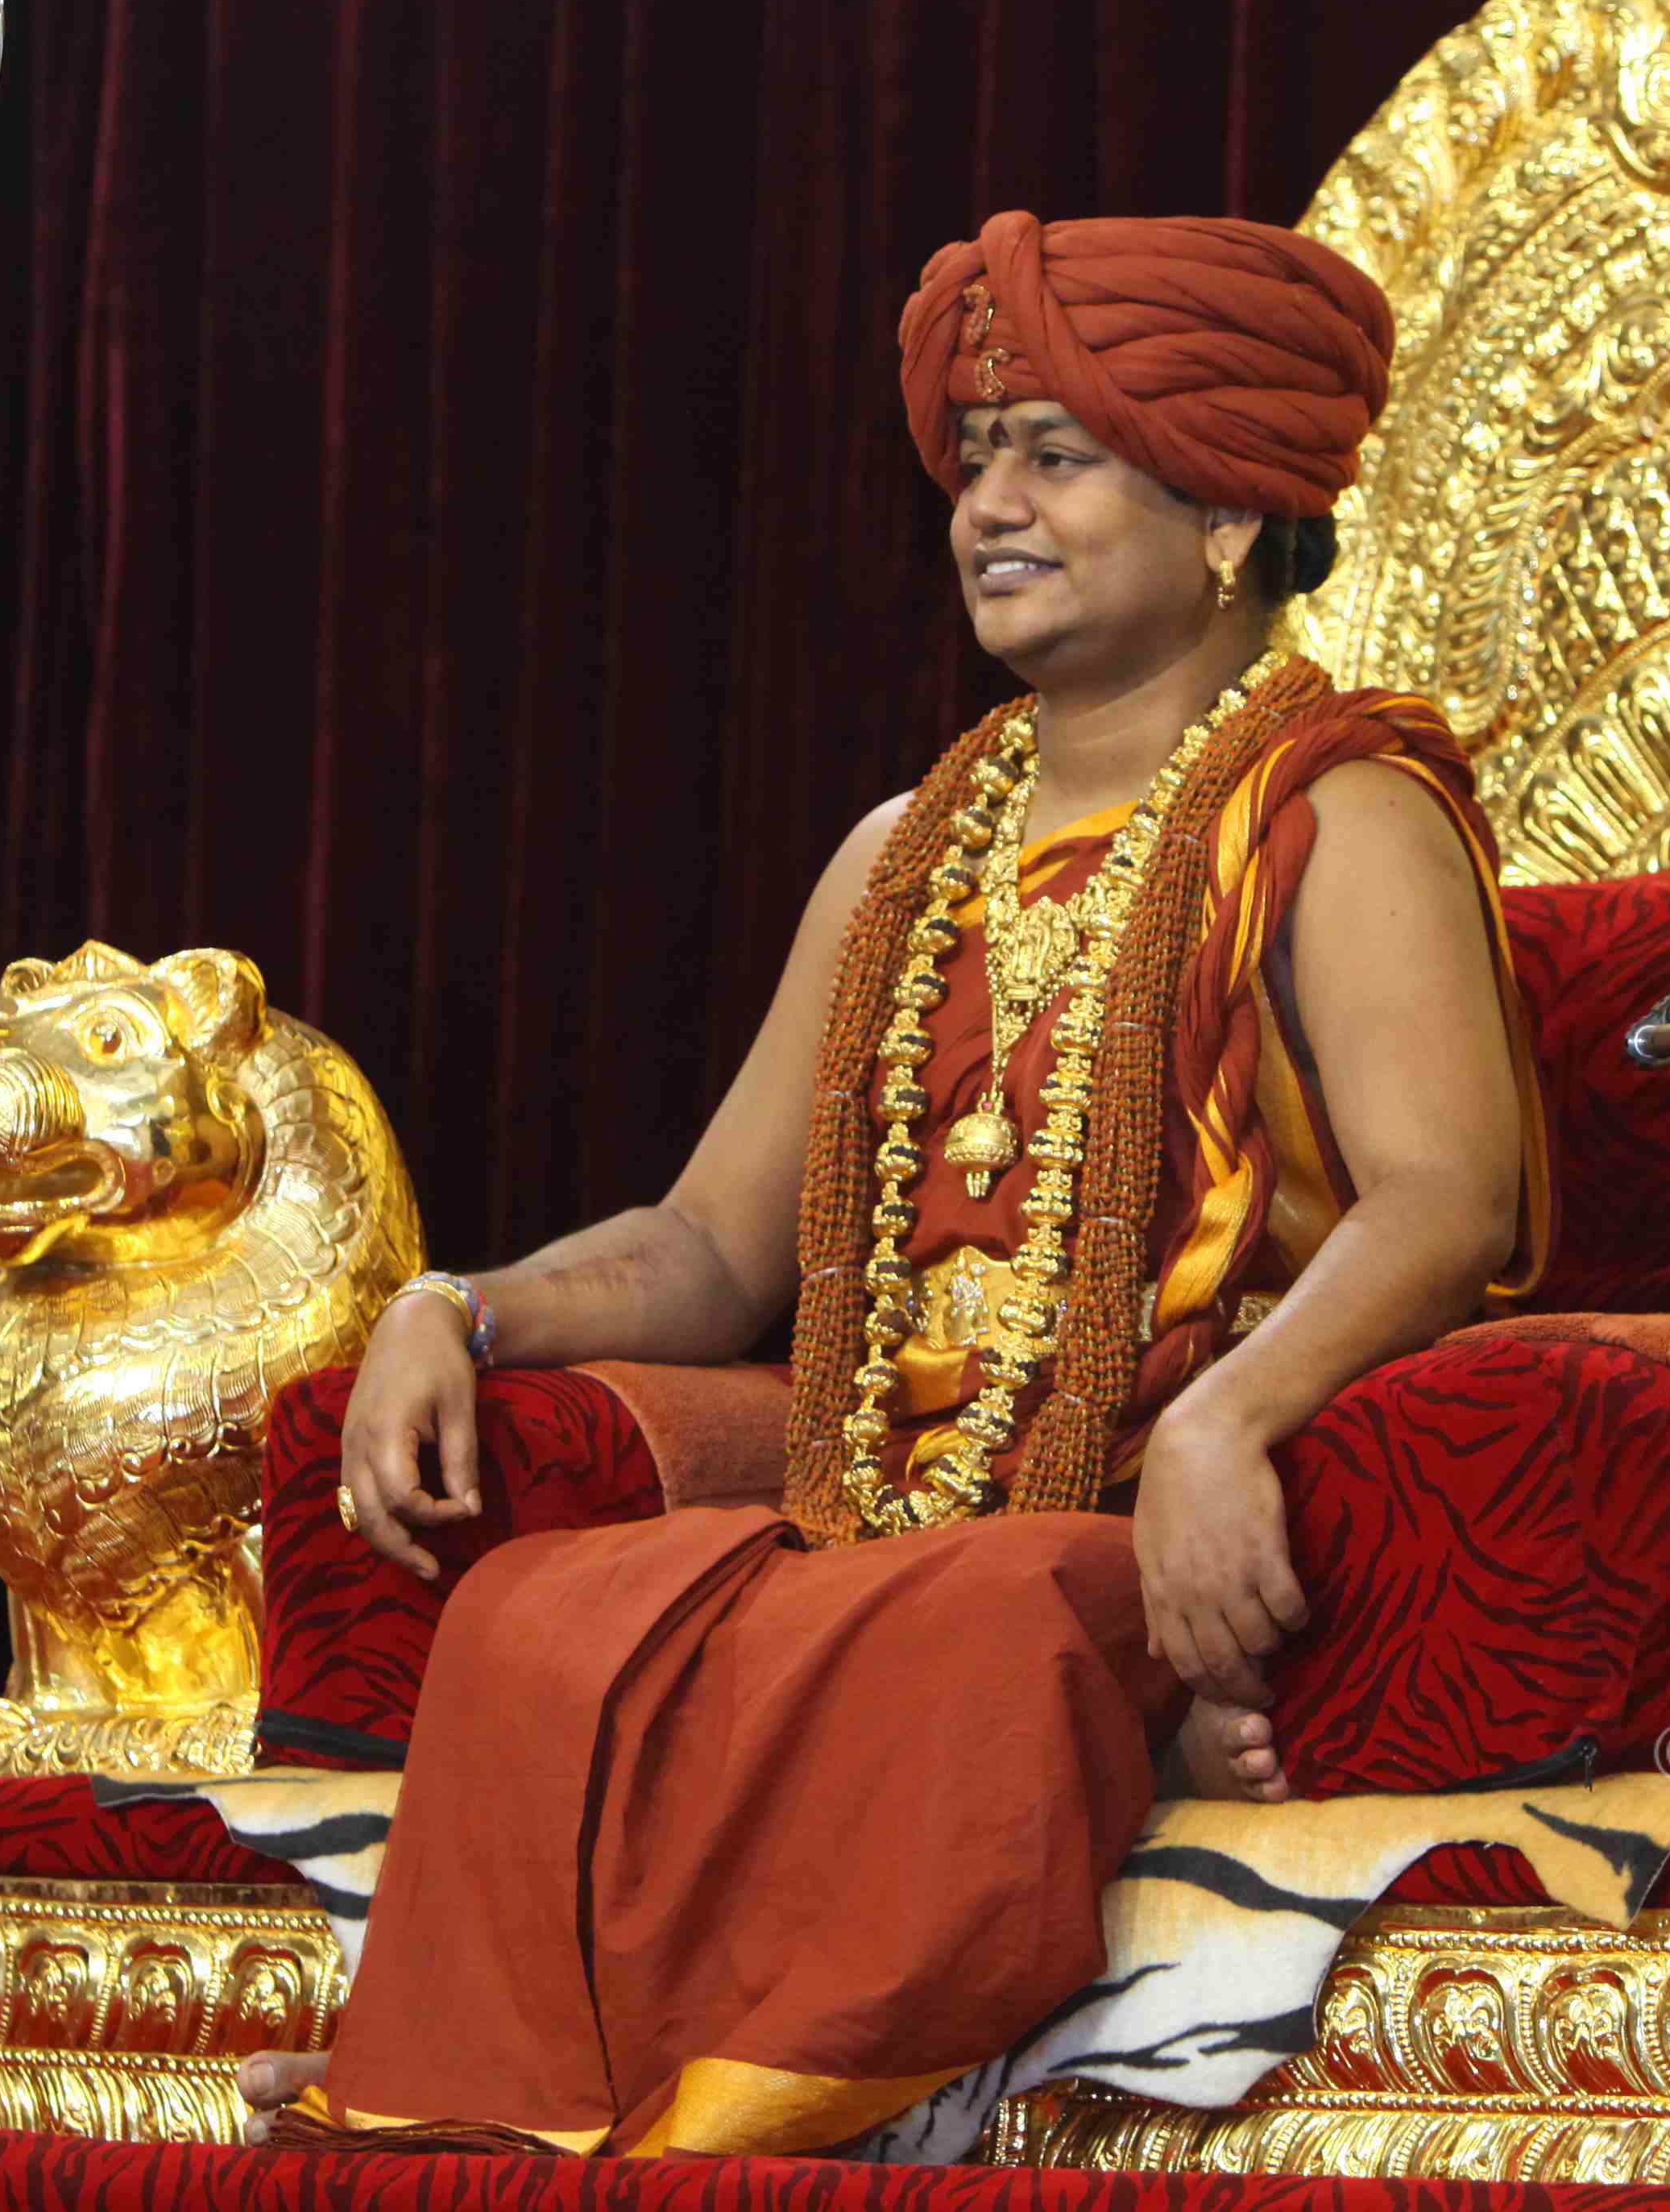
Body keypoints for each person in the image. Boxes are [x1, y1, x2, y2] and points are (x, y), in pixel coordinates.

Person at [251, 208, 1550, 2157]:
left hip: (1124, 1519)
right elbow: (710, 1248)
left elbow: (1449, 1200)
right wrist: (460, 1309)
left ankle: (711, 2122)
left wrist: (1226, 1431)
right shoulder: (898, 854)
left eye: (1057, 457)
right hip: (881, 1522)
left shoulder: (1336, 813)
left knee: (986, 1620)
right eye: (975, 459)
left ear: (1225, 513)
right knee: (537, 1612)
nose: (987, 508)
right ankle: (470, 2108)